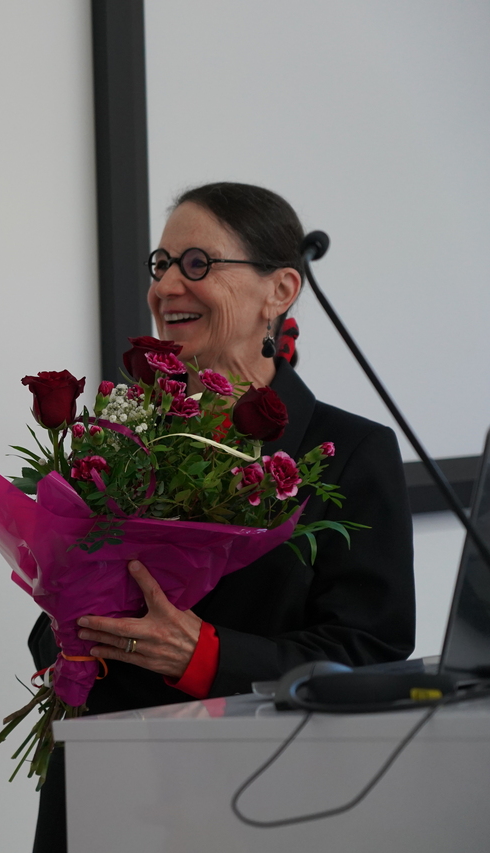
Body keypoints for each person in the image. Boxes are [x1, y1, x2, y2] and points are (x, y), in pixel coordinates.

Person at [28, 182, 416, 852]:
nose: (166, 286)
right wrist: (67, 637)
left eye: (197, 263)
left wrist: (206, 656)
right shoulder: (119, 438)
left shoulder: (351, 451)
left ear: (280, 290)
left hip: (253, 798)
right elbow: (54, 619)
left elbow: (368, 654)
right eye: (161, 264)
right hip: (100, 785)